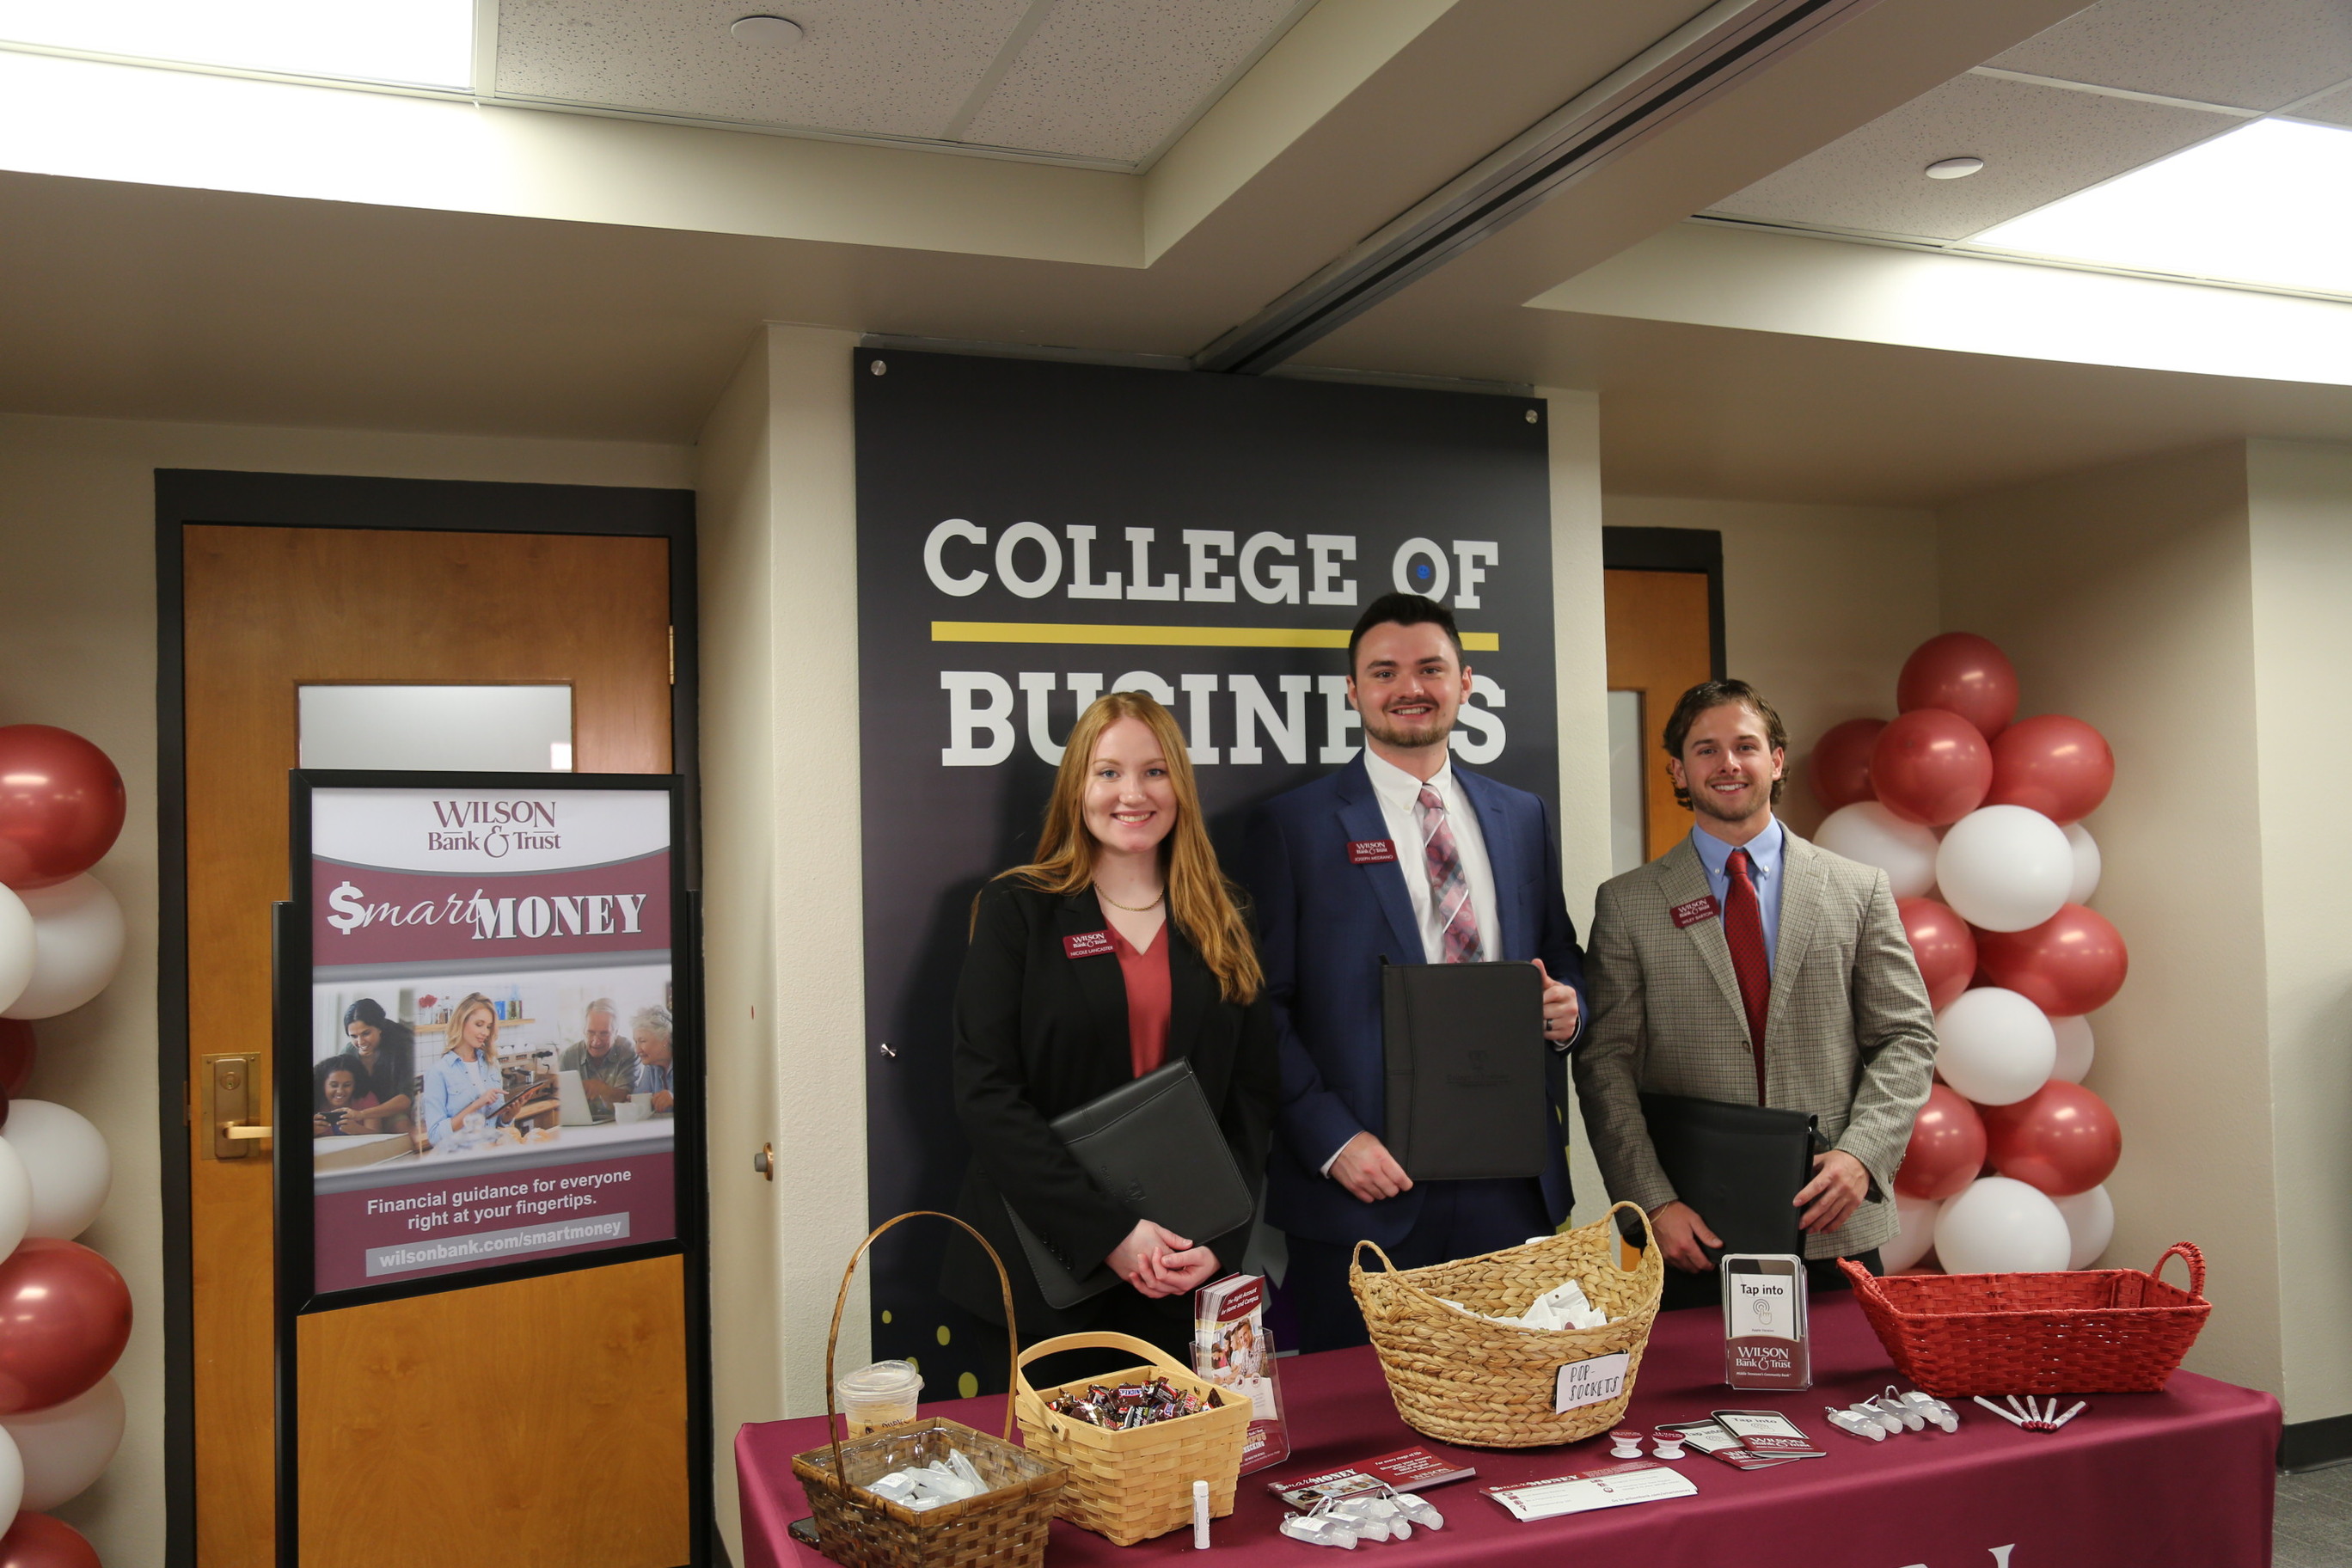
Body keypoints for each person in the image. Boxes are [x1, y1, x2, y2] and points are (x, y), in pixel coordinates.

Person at [1241, 593, 1587, 1352]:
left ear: (1465, 682)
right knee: (1361, 1434)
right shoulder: (1292, 826)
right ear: (1353, 691)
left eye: (1431, 668)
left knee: (1506, 1410)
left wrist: (1570, 1008)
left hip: (1507, 1184)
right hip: (1365, 1186)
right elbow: (1258, 1010)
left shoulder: (1520, 814)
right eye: (1385, 671)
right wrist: (1333, 1142)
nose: (1411, 687)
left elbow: (1561, 953)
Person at [1574, 679, 1938, 1309]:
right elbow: (1605, 1064)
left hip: (1833, 1222)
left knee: (1844, 1403)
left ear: (1776, 759)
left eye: (1745, 745)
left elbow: (1907, 1036)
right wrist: (1652, 1202)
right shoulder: (1627, 904)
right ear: (1678, 770)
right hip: (1689, 1231)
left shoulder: (1858, 890)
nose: (1728, 764)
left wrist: (1861, 1156)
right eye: (1705, 749)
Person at [942, 690, 1280, 1361]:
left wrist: (1217, 1242)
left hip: (1180, 1280)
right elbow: (987, 1096)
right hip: (1044, 1283)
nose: (1133, 793)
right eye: (1109, 772)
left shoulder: (1224, 919)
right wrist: (1110, 1235)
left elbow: (1251, 1099)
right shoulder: (1019, 910)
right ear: (1077, 787)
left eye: (1155, 771)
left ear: (1179, 786)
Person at [420, 991, 511, 1149]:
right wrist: (476, 1104)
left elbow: (498, 1121)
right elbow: (434, 1136)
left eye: (489, 1027)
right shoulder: (438, 1072)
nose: (485, 1032)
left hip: (491, 1153)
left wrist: (510, 1114)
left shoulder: (492, 1064)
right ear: (461, 1022)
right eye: (479, 1024)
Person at [337, 998, 415, 1135]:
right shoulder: (348, 1053)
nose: (360, 1042)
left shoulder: (403, 1047)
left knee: (404, 1131)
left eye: (366, 1033)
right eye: (354, 1036)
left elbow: (405, 1099)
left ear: (380, 1028)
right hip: (359, 1112)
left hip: (392, 1111)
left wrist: (362, 1114)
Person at [556, 998, 638, 1122]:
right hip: (579, 1128)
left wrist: (601, 1088)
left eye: (604, 1033)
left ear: (616, 1032)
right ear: (584, 1030)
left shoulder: (628, 1051)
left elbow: (624, 1098)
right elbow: (557, 1102)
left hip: (618, 1126)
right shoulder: (568, 1056)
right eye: (591, 1032)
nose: (596, 1041)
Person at [630, 1005, 675, 1115]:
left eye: (643, 1041)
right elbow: (639, 1097)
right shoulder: (651, 1066)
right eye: (636, 1042)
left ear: (665, 1039)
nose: (637, 1050)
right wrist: (632, 1102)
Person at [312, 1057, 363, 1137]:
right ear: (322, 1085)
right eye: (334, 1085)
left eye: (347, 1085)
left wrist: (359, 1130)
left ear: (355, 1085)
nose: (340, 1091)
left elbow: (380, 1136)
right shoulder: (315, 1100)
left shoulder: (363, 1098)